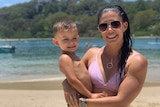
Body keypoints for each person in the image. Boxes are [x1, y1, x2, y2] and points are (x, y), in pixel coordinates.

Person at [65, 5, 148, 107]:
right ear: (99, 30)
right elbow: (74, 76)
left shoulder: (136, 61)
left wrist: (83, 103)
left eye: (115, 24)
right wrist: (66, 84)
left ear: (124, 26)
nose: (109, 30)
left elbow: (122, 101)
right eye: (103, 26)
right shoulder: (91, 54)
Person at [52, 20, 105, 107]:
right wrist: (90, 95)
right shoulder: (65, 58)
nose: (71, 42)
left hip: (84, 98)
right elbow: (72, 80)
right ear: (56, 42)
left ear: (78, 38)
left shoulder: (75, 57)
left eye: (74, 38)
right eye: (65, 39)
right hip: (78, 100)